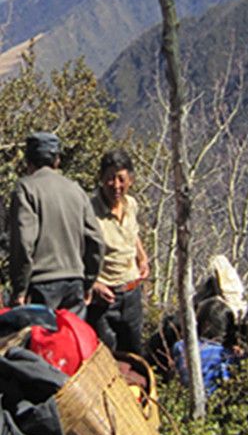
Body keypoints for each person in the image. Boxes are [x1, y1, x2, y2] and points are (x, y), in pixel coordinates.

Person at [9, 131, 104, 317]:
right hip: (74, 282)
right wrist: (89, 281)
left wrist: (20, 289)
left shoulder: (26, 188)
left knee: (41, 335)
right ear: (57, 160)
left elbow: (24, 242)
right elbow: (96, 240)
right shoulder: (76, 190)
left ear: (28, 161)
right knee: (71, 333)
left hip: (41, 283)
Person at [87, 149, 149, 354]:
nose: (116, 185)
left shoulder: (131, 205)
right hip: (104, 298)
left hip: (131, 292)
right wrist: (94, 284)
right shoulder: (88, 211)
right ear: (101, 179)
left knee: (133, 353)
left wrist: (142, 258)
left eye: (121, 179)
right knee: (105, 355)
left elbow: (133, 234)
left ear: (130, 180)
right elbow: (74, 250)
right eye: (110, 178)